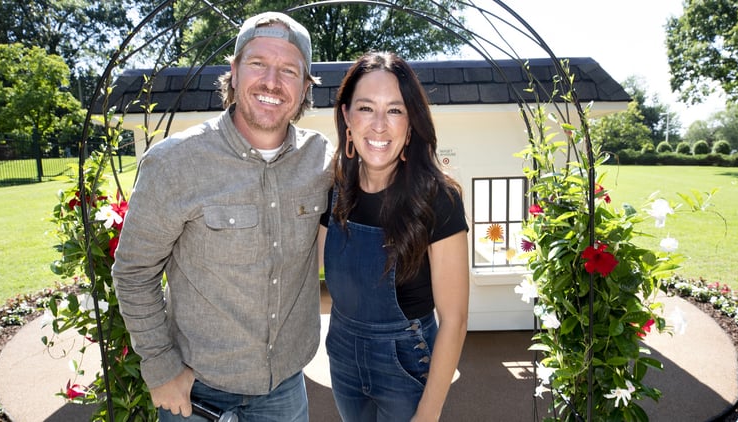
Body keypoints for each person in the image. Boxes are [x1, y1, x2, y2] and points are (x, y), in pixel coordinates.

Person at [112, 11, 333, 421]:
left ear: (305, 86)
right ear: (233, 72)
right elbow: (134, 271)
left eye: (289, 70)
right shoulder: (173, 164)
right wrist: (160, 367)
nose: (272, 82)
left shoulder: (321, 159)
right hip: (196, 392)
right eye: (258, 63)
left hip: (285, 390)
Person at [320, 51, 470, 422]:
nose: (379, 125)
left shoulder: (438, 199)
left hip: (406, 364)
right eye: (366, 108)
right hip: (342, 358)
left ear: (411, 121)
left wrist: (428, 413)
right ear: (347, 117)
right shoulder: (333, 192)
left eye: (394, 110)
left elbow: (454, 319)